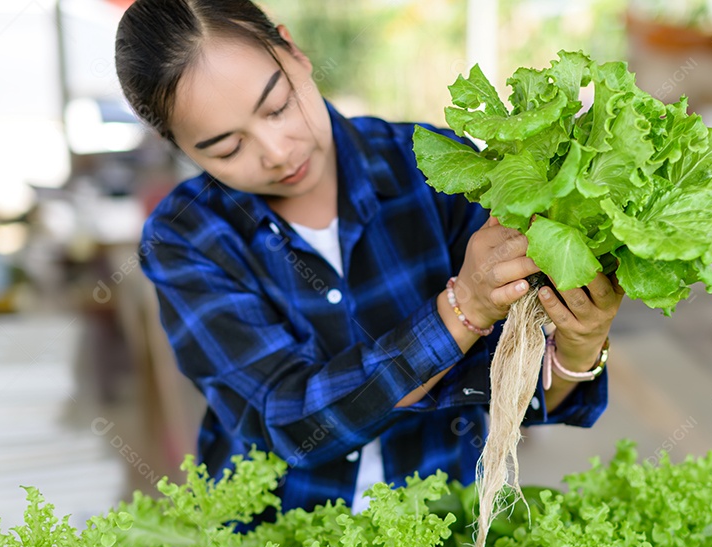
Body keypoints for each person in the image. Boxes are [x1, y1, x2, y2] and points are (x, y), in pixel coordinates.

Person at [114, 0, 622, 518]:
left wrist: (578, 349)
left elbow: (513, 393)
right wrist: (460, 310)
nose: (276, 150)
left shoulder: (432, 169)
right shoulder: (186, 237)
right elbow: (289, 421)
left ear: (293, 49)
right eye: (226, 149)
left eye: (278, 106)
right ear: (176, 145)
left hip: (439, 535)